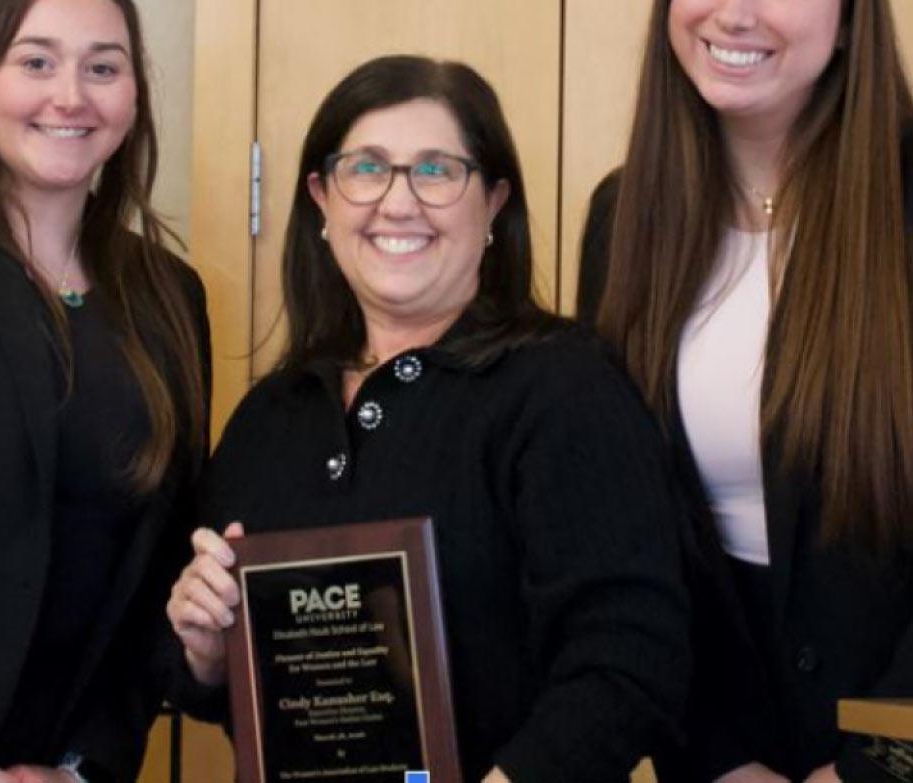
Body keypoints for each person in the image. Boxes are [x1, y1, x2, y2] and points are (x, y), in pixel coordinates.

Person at [166, 54, 688, 781]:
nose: (398, 202)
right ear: (322, 200)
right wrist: (205, 651)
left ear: (494, 203)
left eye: (437, 171)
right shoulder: (270, 418)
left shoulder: (564, 387)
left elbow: (631, 655)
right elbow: (225, 689)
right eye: (366, 168)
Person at [577, 0, 913, 783]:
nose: (734, 11)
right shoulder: (623, 216)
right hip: (717, 737)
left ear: (849, 20)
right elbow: (632, 525)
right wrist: (718, 757)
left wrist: (873, 766)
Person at [0, 0, 210, 783]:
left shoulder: (169, 295)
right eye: (36, 61)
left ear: (133, 95)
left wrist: (82, 766)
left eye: (103, 67)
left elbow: (163, 562)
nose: (70, 96)